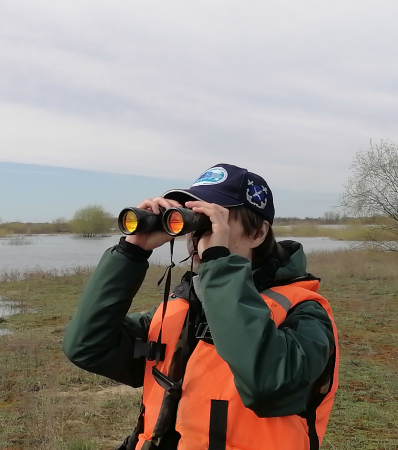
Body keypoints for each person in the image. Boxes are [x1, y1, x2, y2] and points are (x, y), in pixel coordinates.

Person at [62, 163, 338, 450]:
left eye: (210, 220)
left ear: (257, 233)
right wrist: (131, 251)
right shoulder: (181, 311)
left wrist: (219, 262)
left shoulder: (305, 314)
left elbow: (268, 383)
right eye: (193, 220)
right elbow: (88, 347)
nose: (195, 235)